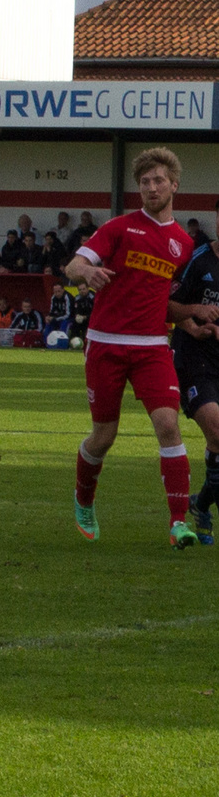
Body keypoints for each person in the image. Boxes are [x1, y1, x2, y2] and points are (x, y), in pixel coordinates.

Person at [65, 147, 198, 549]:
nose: (152, 187)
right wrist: (88, 271)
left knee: (168, 425)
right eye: (145, 182)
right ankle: (84, 499)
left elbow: (165, 299)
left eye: (159, 181)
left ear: (174, 185)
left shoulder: (183, 244)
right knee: (103, 436)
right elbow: (73, 267)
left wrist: (192, 315)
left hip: (153, 347)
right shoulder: (119, 228)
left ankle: (179, 523)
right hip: (105, 343)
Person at [167, 200, 219, 545]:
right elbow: (167, 304)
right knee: (217, 430)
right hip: (195, 359)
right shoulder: (198, 260)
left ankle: (200, 504)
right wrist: (191, 323)